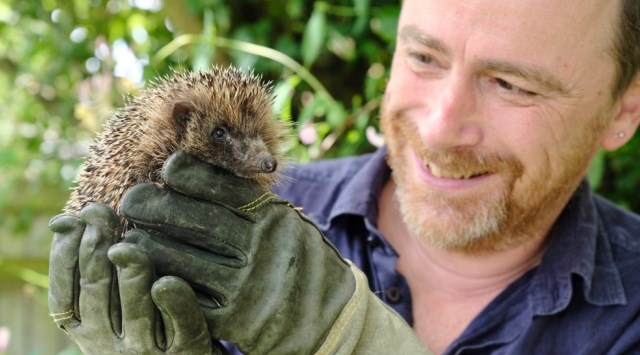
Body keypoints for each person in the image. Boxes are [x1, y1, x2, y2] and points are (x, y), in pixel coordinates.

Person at [48, 0, 640, 354]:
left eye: (512, 84)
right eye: (424, 58)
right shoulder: (258, 216)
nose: (438, 130)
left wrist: (349, 338)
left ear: (624, 109)